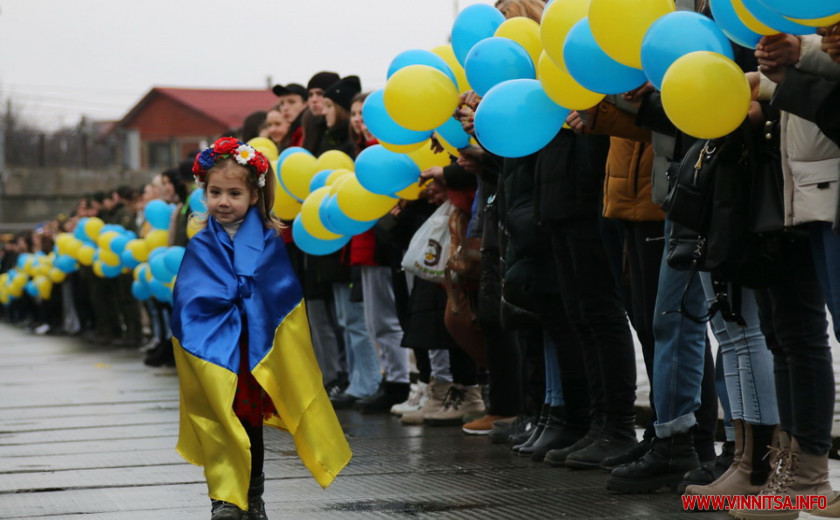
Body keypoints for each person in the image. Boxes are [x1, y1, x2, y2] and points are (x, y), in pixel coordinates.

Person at [170, 137, 351, 520]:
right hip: (216, 351)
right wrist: (226, 301)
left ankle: (252, 494)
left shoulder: (269, 242)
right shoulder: (200, 244)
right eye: (214, 192)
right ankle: (223, 497)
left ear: (254, 195)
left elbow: (279, 295)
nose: (223, 201)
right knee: (219, 419)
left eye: (234, 193)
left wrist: (246, 298)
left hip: (254, 350)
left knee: (250, 424)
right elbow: (189, 298)